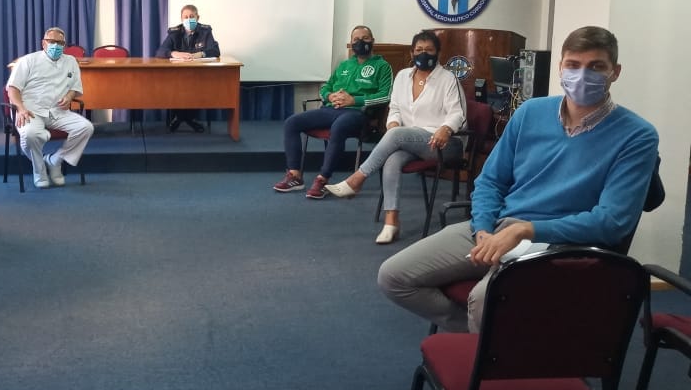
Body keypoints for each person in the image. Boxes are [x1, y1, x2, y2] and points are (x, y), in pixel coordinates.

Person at [377, 26, 658, 333]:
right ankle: (490, 342)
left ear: (615, 72)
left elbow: (613, 221)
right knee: (394, 276)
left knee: (486, 299)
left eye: (596, 66)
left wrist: (526, 230)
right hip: (498, 227)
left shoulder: (637, 135)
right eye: (573, 65)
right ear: (561, 67)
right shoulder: (530, 112)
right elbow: (490, 181)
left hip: (559, 242)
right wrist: (483, 228)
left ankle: (492, 346)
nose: (582, 75)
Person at [325, 31, 466, 244]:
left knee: (397, 135)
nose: (424, 54)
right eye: (419, 50)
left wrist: (446, 128)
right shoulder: (402, 76)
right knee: (392, 158)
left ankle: (357, 179)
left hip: (444, 143)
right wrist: (392, 123)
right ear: (412, 53)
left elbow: (458, 114)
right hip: (409, 140)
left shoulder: (448, 79)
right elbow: (396, 109)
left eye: (429, 50)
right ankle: (391, 222)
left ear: (438, 53)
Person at [273, 25, 393, 199]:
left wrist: (355, 100)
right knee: (292, 123)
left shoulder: (382, 66)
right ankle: (295, 176)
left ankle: (322, 179)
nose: (360, 42)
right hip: (331, 109)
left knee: (339, 126)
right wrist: (330, 96)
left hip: (358, 114)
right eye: (356, 39)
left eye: (365, 38)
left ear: (373, 41)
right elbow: (325, 87)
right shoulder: (344, 64)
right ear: (351, 43)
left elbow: (385, 96)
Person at [6, 27, 95, 189]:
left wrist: (69, 97)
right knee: (31, 135)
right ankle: (39, 171)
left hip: (57, 110)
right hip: (30, 110)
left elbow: (75, 88)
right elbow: (12, 89)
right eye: (52, 42)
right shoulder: (28, 61)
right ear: (43, 43)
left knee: (86, 128)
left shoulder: (71, 61)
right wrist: (20, 108)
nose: (56, 46)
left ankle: (55, 160)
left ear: (64, 45)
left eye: (60, 43)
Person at [155, 4, 221, 133]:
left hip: (198, 75)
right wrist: (173, 53)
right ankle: (189, 119)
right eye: (185, 17)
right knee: (177, 86)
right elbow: (160, 51)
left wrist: (200, 54)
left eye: (192, 16)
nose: (189, 19)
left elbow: (215, 50)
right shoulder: (175, 32)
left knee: (195, 86)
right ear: (181, 19)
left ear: (198, 17)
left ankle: (180, 118)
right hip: (176, 76)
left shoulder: (205, 31)